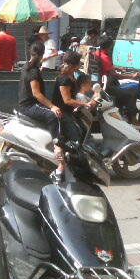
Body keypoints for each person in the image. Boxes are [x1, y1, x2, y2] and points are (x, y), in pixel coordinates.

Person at [18, 41, 64, 177]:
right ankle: (57, 147)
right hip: (29, 106)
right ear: (42, 54)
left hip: (27, 104)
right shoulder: (33, 71)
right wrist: (52, 106)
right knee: (54, 115)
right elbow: (36, 93)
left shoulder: (27, 65)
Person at [50, 51, 97, 181]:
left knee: (82, 137)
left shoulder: (71, 77)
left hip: (70, 113)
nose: (80, 65)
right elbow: (67, 100)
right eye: (79, 63)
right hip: (64, 115)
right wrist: (86, 104)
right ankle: (79, 171)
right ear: (75, 65)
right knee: (76, 142)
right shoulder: (64, 79)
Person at [95, 35, 140, 129]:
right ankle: (134, 121)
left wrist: (118, 68)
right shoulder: (105, 57)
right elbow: (115, 75)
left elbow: (107, 67)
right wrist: (132, 76)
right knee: (130, 93)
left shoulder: (98, 53)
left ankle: (124, 113)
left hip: (102, 83)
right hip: (107, 87)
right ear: (110, 46)